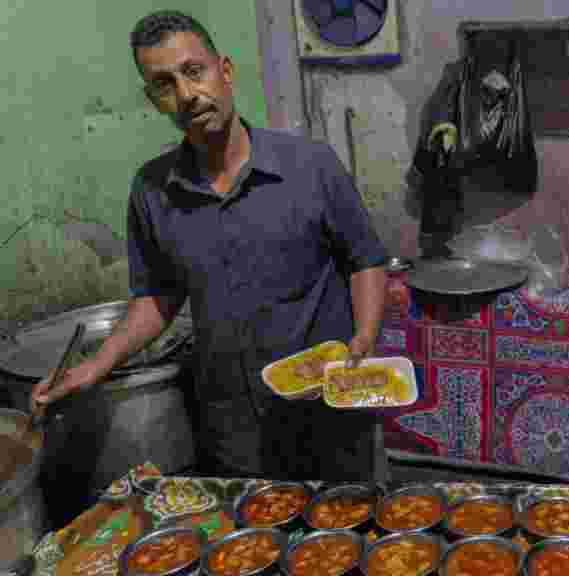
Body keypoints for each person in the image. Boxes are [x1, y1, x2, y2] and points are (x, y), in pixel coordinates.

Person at [29, 10, 389, 481]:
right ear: (152, 98)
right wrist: (95, 365)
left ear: (225, 70)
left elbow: (365, 259)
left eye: (193, 71)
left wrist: (361, 341)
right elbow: (158, 297)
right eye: (164, 84)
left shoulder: (310, 166)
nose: (185, 94)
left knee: (360, 536)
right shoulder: (153, 190)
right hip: (235, 426)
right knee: (253, 545)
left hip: (329, 406)